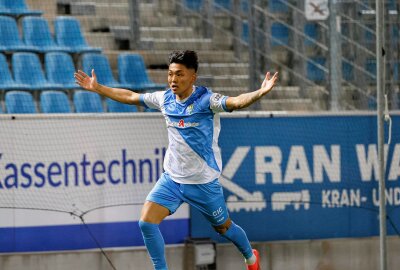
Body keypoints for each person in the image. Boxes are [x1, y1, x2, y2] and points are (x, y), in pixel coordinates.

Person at [74, 50, 278, 270]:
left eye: (179, 74)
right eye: (170, 74)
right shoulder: (164, 99)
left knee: (224, 228)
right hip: (172, 179)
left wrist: (260, 92)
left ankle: (250, 257)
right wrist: (98, 88)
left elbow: (236, 102)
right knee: (146, 223)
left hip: (203, 183)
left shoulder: (207, 101)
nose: (173, 79)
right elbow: (132, 97)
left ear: (193, 77)